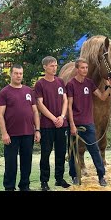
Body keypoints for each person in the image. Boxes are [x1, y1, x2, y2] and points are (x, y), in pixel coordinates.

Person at [66, 57, 111, 187]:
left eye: (86, 68)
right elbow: (69, 106)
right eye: (82, 68)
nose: (85, 70)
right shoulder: (71, 84)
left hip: (88, 124)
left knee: (94, 150)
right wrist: (71, 124)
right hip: (75, 124)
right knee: (73, 151)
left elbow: (102, 96)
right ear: (77, 69)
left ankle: (101, 176)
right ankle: (74, 176)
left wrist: (109, 87)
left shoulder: (89, 83)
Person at [0, 64, 40, 191]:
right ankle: (9, 187)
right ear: (10, 74)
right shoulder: (4, 92)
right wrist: (4, 133)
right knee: (11, 164)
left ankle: (24, 185)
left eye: (20, 73)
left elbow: (35, 112)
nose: (18, 76)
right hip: (11, 135)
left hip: (28, 133)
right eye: (16, 73)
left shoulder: (28, 91)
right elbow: (0, 115)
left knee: (27, 162)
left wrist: (37, 130)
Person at [34, 56, 71, 191]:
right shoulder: (40, 84)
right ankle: (44, 181)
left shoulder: (60, 82)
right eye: (51, 66)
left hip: (62, 124)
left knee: (61, 153)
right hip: (47, 125)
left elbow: (65, 100)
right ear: (45, 67)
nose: (54, 68)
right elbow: (39, 104)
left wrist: (61, 116)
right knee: (46, 153)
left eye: (56, 65)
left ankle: (59, 179)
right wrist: (53, 118)